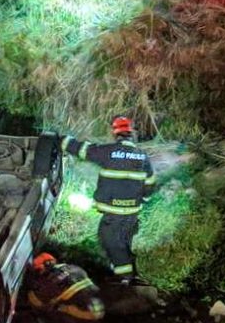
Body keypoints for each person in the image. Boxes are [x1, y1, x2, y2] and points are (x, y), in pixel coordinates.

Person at [61, 116, 155, 284]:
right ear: (131, 134)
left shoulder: (109, 151)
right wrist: (145, 199)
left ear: (116, 133)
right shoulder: (142, 156)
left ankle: (124, 281)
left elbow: (83, 150)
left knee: (111, 243)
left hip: (114, 212)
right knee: (124, 242)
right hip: (132, 213)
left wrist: (62, 140)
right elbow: (150, 182)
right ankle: (130, 275)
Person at [26, 252, 105, 323]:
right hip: (99, 308)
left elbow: (36, 303)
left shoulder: (49, 282)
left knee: (51, 311)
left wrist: (30, 290)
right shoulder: (74, 268)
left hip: (84, 314)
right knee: (70, 310)